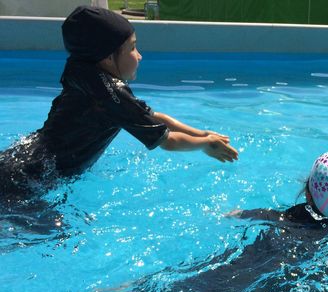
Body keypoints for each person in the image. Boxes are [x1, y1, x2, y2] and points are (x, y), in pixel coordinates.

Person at [0, 6, 238, 206]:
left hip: (22, 156)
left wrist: (202, 133)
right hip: (31, 179)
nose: (140, 55)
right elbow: (167, 141)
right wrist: (204, 145)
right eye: (132, 48)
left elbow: (153, 117)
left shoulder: (83, 69)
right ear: (107, 57)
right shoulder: (112, 95)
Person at [133, 149, 328, 292]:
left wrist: (230, 213)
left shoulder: (274, 217)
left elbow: (234, 216)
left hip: (200, 282)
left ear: (308, 190)